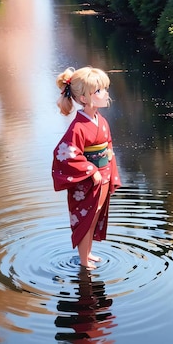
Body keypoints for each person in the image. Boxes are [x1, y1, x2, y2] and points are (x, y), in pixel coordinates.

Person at [52, 66, 122, 269]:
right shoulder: (78, 127)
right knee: (86, 221)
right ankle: (83, 261)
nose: (105, 93)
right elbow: (64, 154)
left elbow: (108, 148)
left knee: (96, 216)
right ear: (83, 98)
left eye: (104, 89)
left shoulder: (102, 121)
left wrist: (110, 173)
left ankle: (88, 254)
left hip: (104, 177)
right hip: (87, 182)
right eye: (99, 90)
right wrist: (91, 171)